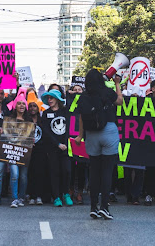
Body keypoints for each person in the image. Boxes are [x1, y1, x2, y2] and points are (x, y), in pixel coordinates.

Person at [76, 69, 123, 220]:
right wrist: (117, 84)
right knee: (107, 171)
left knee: (94, 172)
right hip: (108, 131)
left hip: (91, 134)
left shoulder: (84, 96)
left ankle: (93, 207)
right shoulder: (106, 91)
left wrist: (80, 135)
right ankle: (104, 207)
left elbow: (82, 117)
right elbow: (120, 102)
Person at [40, 88, 72, 208]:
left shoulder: (66, 111)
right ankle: (56, 197)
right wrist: (58, 144)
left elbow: (70, 127)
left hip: (66, 147)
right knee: (55, 172)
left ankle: (66, 193)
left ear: (57, 99)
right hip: (53, 148)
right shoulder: (45, 113)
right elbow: (46, 132)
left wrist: (66, 143)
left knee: (67, 171)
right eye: (48, 98)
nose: (49, 100)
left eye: (51, 98)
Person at [7, 97, 34, 208]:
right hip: (12, 150)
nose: (21, 105)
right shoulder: (8, 120)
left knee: (23, 176)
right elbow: (6, 135)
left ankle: (21, 197)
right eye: (19, 103)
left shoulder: (29, 121)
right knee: (15, 174)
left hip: (24, 152)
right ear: (15, 106)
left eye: (24, 104)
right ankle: (14, 198)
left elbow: (31, 136)